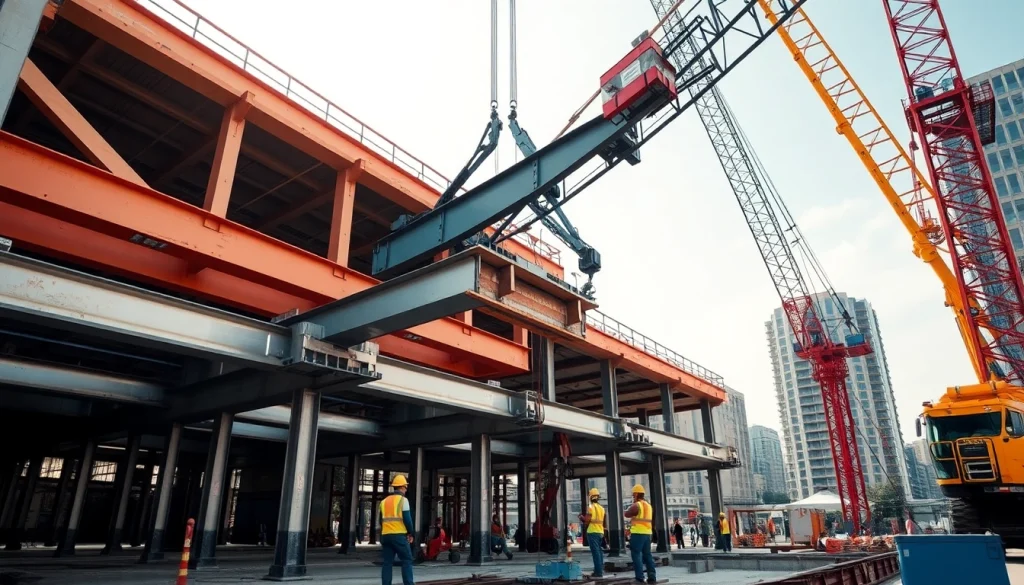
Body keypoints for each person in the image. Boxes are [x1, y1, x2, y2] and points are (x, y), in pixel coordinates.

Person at [380, 475, 415, 585]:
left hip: (385, 536)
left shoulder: (383, 502)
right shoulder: (403, 501)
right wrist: (411, 533)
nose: (406, 489)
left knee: (387, 563)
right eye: (405, 487)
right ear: (402, 487)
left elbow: (380, 521)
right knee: (407, 560)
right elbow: (407, 520)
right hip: (399, 536)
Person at [623, 485, 657, 584]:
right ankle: (652, 577)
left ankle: (639, 578)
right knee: (647, 555)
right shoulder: (648, 505)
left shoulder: (637, 505)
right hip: (647, 533)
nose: (633, 496)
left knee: (636, 555)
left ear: (637, 494)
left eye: (634, 494)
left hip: (638, 534)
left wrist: (627, 508)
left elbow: (627, 514)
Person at [578, 487, 605, 578]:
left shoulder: (591, 507)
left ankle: (598, 572)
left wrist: (581, 517)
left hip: (592, 532)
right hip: (600, 532)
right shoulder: (602, 508)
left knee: (596, 553)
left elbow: (587, 521)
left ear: (590, 497)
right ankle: (599, 570)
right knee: (599, 552)